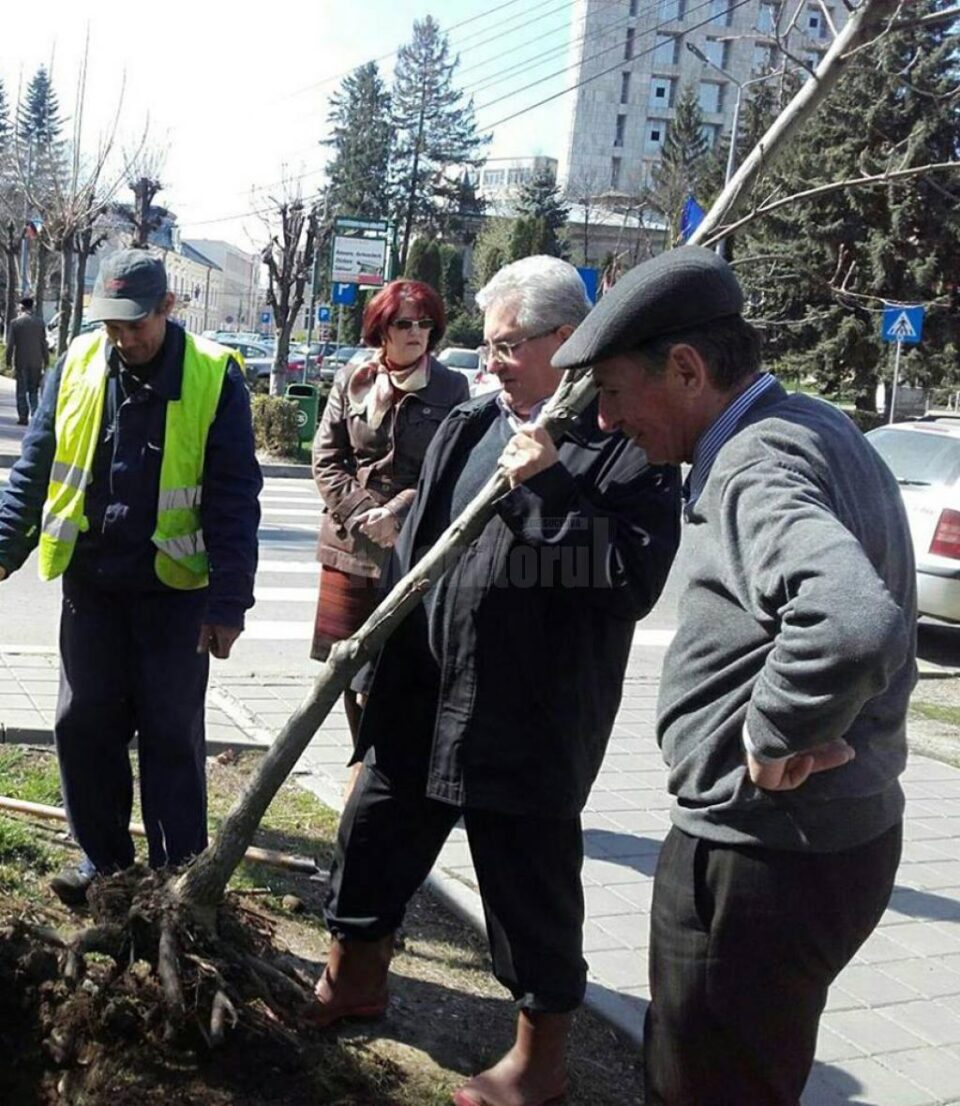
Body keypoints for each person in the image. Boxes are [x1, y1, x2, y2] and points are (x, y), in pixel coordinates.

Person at [551, 245, 916, 1106]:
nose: (604, 421)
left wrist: (771, 732)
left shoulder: (755, 463)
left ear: (684, 368)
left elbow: (852, 619)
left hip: (759, 857)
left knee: (702, 1086)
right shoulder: (817, 425)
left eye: (610, 390)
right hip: (829, 841)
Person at [311, 256, 682, 1106]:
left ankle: (537, 1062)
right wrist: (377, 661)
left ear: (568, 341)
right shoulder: (471, 426)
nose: (490, 357)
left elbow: (625, 581)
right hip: (422, 699)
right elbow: (413, 564)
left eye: (509, 342)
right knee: (369, 839)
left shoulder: (625, 446)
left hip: (528, 720)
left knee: (527, 890)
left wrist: (546, 483)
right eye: (488, 341)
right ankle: (351, 978)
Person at [0, 249, 262, 907]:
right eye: (112, 326)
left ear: (167, 308)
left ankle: (178, 876)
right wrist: (4, 548)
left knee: (171, 731)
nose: (123, 339)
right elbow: (35, 471)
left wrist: (229, 600)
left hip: (176, 593)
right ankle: (103, 862)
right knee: (82, 722)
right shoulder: (81, 364)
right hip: (92, 586)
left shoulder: (212, 376)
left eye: (135, 326)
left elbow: (233, 496)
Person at [311, 279, 469, 762]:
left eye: (426, 323)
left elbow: (448, 470)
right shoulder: (352, 378)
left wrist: (396, 512)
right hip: (349, 545)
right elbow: (326, 457)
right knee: (346, 665)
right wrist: (364, 513)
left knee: (394, 665)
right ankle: (363, 759)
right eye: (404, 323)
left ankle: (384, 766)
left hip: (411, 544)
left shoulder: (452, 386)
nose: (417, 332)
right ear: (382, 328)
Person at [5, 296, 49, 424]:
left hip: (21, 361)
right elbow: (43, 343)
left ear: (22, 307)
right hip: (36, 361)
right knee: (34, 390)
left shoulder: (16, 323)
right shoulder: (40, 323)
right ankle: (35, 415)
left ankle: (23, 417)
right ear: (32, 307)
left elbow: (10, 344)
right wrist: (46, 361)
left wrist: (8, 361)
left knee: (21, 390)